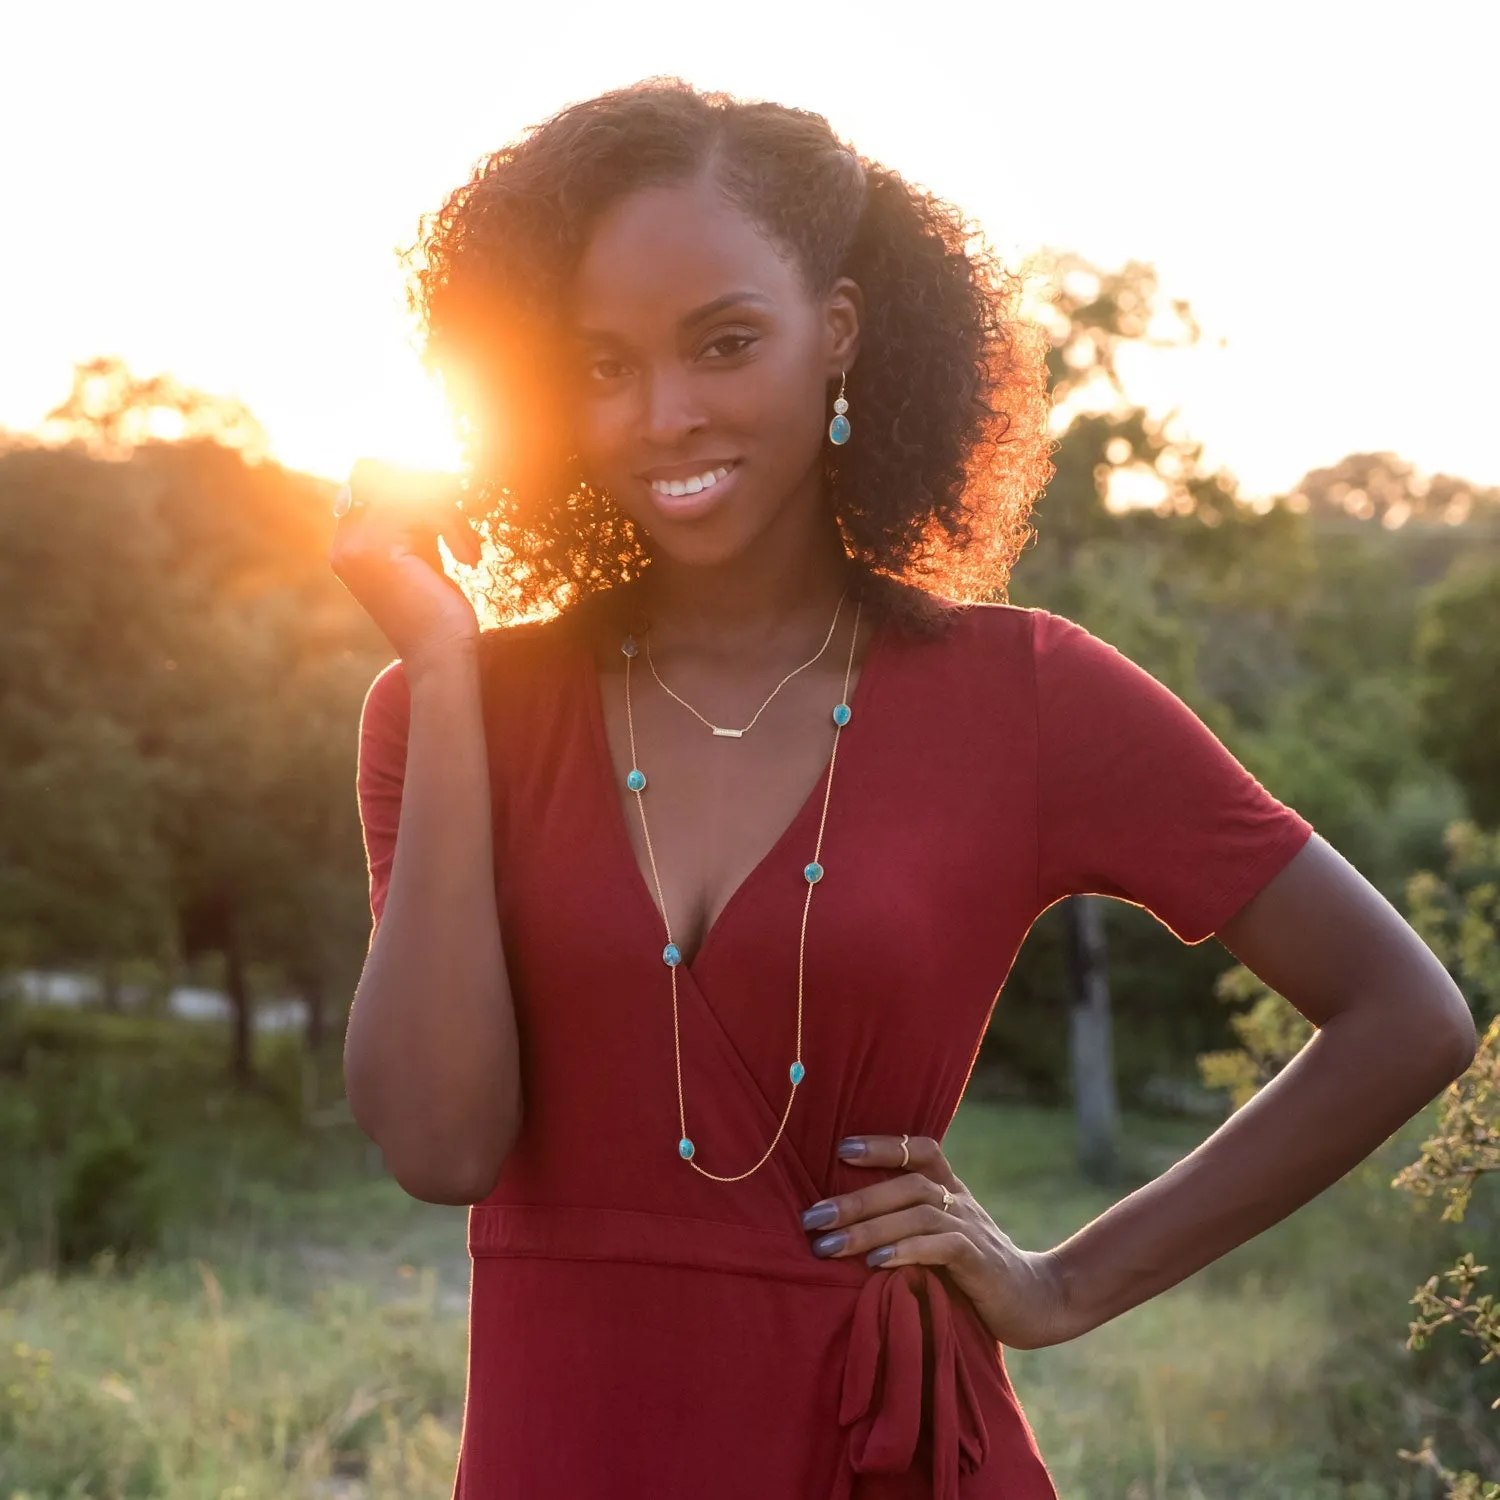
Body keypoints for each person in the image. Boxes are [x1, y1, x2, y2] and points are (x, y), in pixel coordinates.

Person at [330, 78, 1477, 1500]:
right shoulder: (449, 714)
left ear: (842, 335)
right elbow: (440, 1146)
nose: (664, 414)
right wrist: (443, 670)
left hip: (886, 1454)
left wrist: (1064, 1286)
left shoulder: (1031, 696)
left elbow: (1406, 1016)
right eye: (601, 365)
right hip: (566, 1453)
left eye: (725, 343)